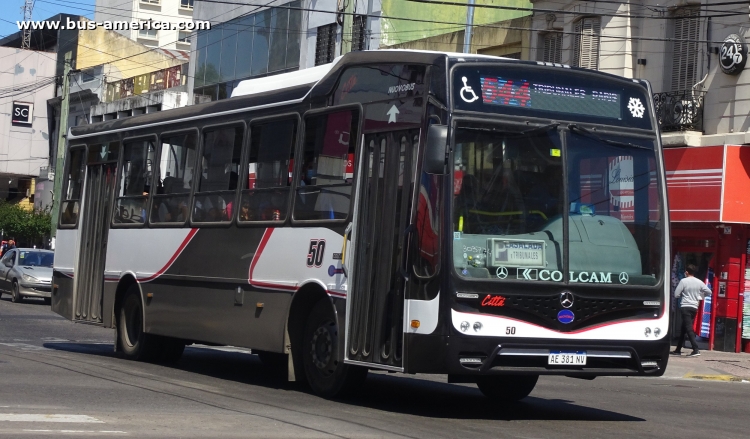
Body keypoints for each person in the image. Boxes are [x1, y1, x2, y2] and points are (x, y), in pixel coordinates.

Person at [671, 264, 712, 357]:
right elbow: (709, 292)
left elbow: (676, 294)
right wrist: (699, 297)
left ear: (686, 272)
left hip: (685, 306)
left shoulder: (683, 281)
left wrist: (683, 295)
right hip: (694, 307)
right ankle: (678, 349)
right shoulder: (699, 282)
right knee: (684, 328)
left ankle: (695, 349)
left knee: (688, 328)